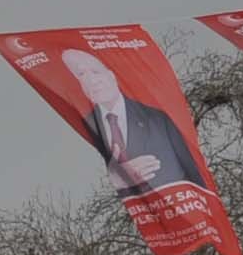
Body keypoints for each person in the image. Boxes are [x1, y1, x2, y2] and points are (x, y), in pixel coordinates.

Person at [63, 46, 204, 195]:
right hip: (121, 211)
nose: (92, 80)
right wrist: (117, 178)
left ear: (111, 76)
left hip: (176, 203)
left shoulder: (156, 118)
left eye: (96, 71)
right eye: (81, 75)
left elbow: (191, 169)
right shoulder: (84, 128)